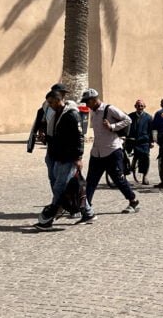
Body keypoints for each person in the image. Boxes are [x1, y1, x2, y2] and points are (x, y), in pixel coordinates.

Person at [35, 90, 94, 229]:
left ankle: (48, 220)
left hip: (69, 158)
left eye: (50, 102)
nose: (49, 106)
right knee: (70, 187)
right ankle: (88, 212)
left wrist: (78, 157)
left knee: (60, 187)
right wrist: (47, 138)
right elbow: (59, 137)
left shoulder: (71, 114)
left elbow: (79, 137)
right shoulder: (57, 114)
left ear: (58, 99)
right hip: (59, 156)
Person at [81, 88, 139, 216]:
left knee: (118, 179)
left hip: (112, 150)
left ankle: (133, 200)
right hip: (97, 152)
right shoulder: (94, 112)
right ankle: (87, 206)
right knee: (91, 181)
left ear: (94, 100)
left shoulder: (109, 109)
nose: (86, 105)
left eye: (87, 102)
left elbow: (128, 120)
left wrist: (112, 127)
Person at [127, 98, 153, 186]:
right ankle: (124, 173)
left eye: (141, 106)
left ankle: (145, 176)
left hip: (143, 141)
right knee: (123, 155)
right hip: (132, 140)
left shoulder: (148, 118)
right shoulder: (130, 116)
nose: (140, 107)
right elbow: (126, 128)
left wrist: (152, 141)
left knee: (145, 157)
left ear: (144, 107)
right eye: (138, 106)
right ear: (135, 106)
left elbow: (151, 131)